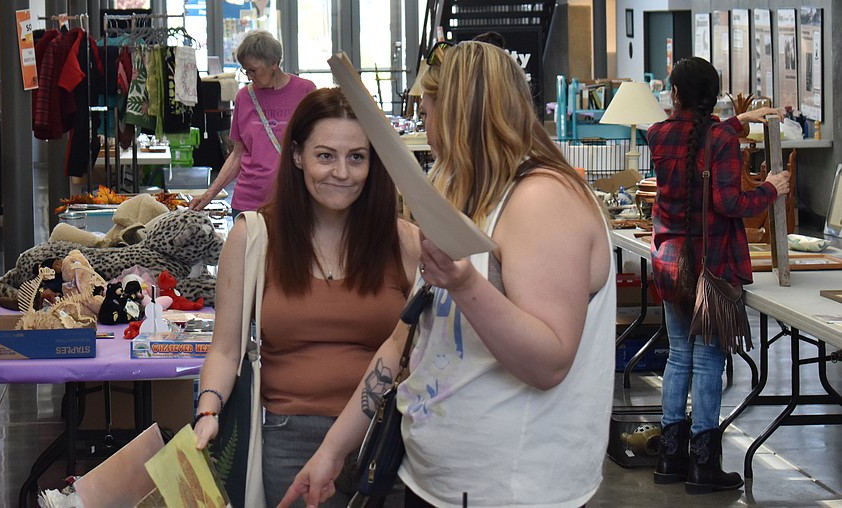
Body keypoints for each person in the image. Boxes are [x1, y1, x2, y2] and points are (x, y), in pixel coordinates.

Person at [282, 41, 616, 508]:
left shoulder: (543, 200)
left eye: (426, 108)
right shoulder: (467, 191)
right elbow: (404, 341)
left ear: (457, 110)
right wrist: (332, 451)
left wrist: (464, 283)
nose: (423, 124)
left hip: (510, 490)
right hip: (435, 479)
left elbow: (549, 362)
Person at [192, 87, 422, 507]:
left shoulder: (403, 242)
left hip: (384, 440)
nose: (342, 172)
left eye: (357, 157)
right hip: (285, 442)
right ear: (297, 155)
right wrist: (208, 412)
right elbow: (225, 350)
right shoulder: (254, 237)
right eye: (325, 155)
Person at [646, 57, 789, 494]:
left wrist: (739, 120)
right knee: (708, 361)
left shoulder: (657, 134)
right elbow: (729, 203)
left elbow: (700, 140)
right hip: (713, 266)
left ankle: (672, 456)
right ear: (714, 96)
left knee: (677, 357)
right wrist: (770, 189)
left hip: (670, 261)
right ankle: (703, 466)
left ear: (674, 95)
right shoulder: (721, 138)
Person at [188, 30, 314, 215]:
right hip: (248, 201)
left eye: (253, 70)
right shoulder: (245, 97)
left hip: (293, 201)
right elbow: (237, 154)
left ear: (274, 63)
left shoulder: (305, 91)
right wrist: (209, 195)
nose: (249, 76)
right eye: (245, 70)